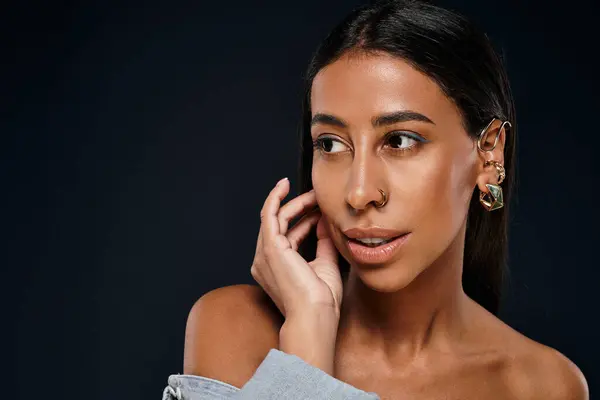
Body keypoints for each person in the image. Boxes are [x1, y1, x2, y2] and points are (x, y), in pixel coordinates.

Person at [163, 0, 589, 398]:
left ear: (488, 153)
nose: (359, 192)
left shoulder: (542, 385)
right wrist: (306, 345)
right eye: (330, 144)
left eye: (400, 140)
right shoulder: (235, 327)